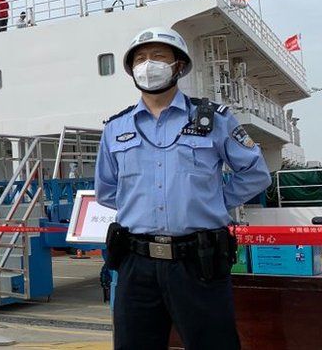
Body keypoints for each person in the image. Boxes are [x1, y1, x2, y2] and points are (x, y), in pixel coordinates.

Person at [95, 27, 270, 350]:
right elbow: (106, 190)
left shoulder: (214, 119)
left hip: (198, 262)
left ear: (178, 65)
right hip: (136, 264)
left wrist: (213, 201)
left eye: (159, 56)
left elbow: (255, 174)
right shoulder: (115, 128)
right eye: (141, 59)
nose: (148, 64)